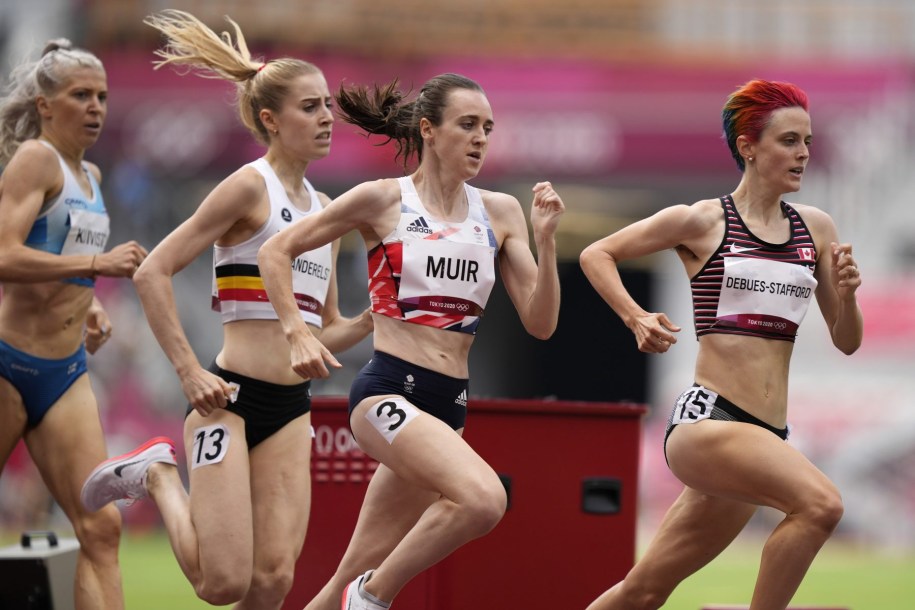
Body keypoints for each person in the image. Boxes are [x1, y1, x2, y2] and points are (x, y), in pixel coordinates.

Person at [79, 9, 372, 609]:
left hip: (291, 409)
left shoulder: (326, 208)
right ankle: (158, 475)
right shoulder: (247, 186)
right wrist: (190, 371)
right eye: (311, 107)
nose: (326, 119)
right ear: (270, 119)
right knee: (223, 585)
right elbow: (152, 270)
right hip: (228, 399)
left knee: (272, 584)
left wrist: (375, 320)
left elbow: (326, 332)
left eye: (328, 107)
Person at [257, 72, 564, 610]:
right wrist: (297, 333)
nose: (480, 138)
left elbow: (541, 323)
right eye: (467, 125)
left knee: (340, 580)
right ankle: (373, 597)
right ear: (428, 130)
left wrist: (546, 242)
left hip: (448, 407)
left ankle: (353, 593)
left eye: (487, 128)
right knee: (484, 499)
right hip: (387, 394)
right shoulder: (382, 200)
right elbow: (274, 253)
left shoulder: (500, 212)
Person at [580, 79, 864, 610]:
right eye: (789, 141)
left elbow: (847, 341)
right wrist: (636, 316)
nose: (803, 153)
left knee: (643, 591)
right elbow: (599, 253)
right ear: (748, 147)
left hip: (765, 434)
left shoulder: (817, 229)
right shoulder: (703, 220)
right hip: (709, 421)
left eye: (808, 140)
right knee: (821, 505)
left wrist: (846, 298)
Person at [0, 39, 149, 609]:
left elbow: (55, 251)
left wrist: (89, 302)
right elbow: (7, 254)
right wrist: (95, 266)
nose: (96, 107)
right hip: (10, 361)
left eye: (103, 97)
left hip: (65, 372)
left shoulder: (91, 174)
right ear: (44, 105)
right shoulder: (36, 160)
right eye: (80, 95)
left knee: (101, 526)